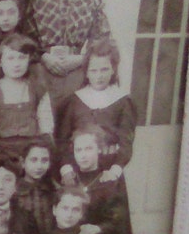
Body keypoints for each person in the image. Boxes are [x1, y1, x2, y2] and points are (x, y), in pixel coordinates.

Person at [27, 0, 113, 106]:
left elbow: (102, 39)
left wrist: (81, 59)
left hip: (77, 71)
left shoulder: (92, 1)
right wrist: (44, 57)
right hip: (42, 69)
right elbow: (26, 37)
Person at [54, 38, 137, 174]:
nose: (99, 76)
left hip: (109, 170)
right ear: (86, 72)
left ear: (113, 69)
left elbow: (126, 143)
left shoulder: (123, 102)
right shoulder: (73, 101)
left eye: (104, 70)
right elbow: (62, 140)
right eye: (94, 70)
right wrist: (66, 168)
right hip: (77, 169)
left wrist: (116, 169)